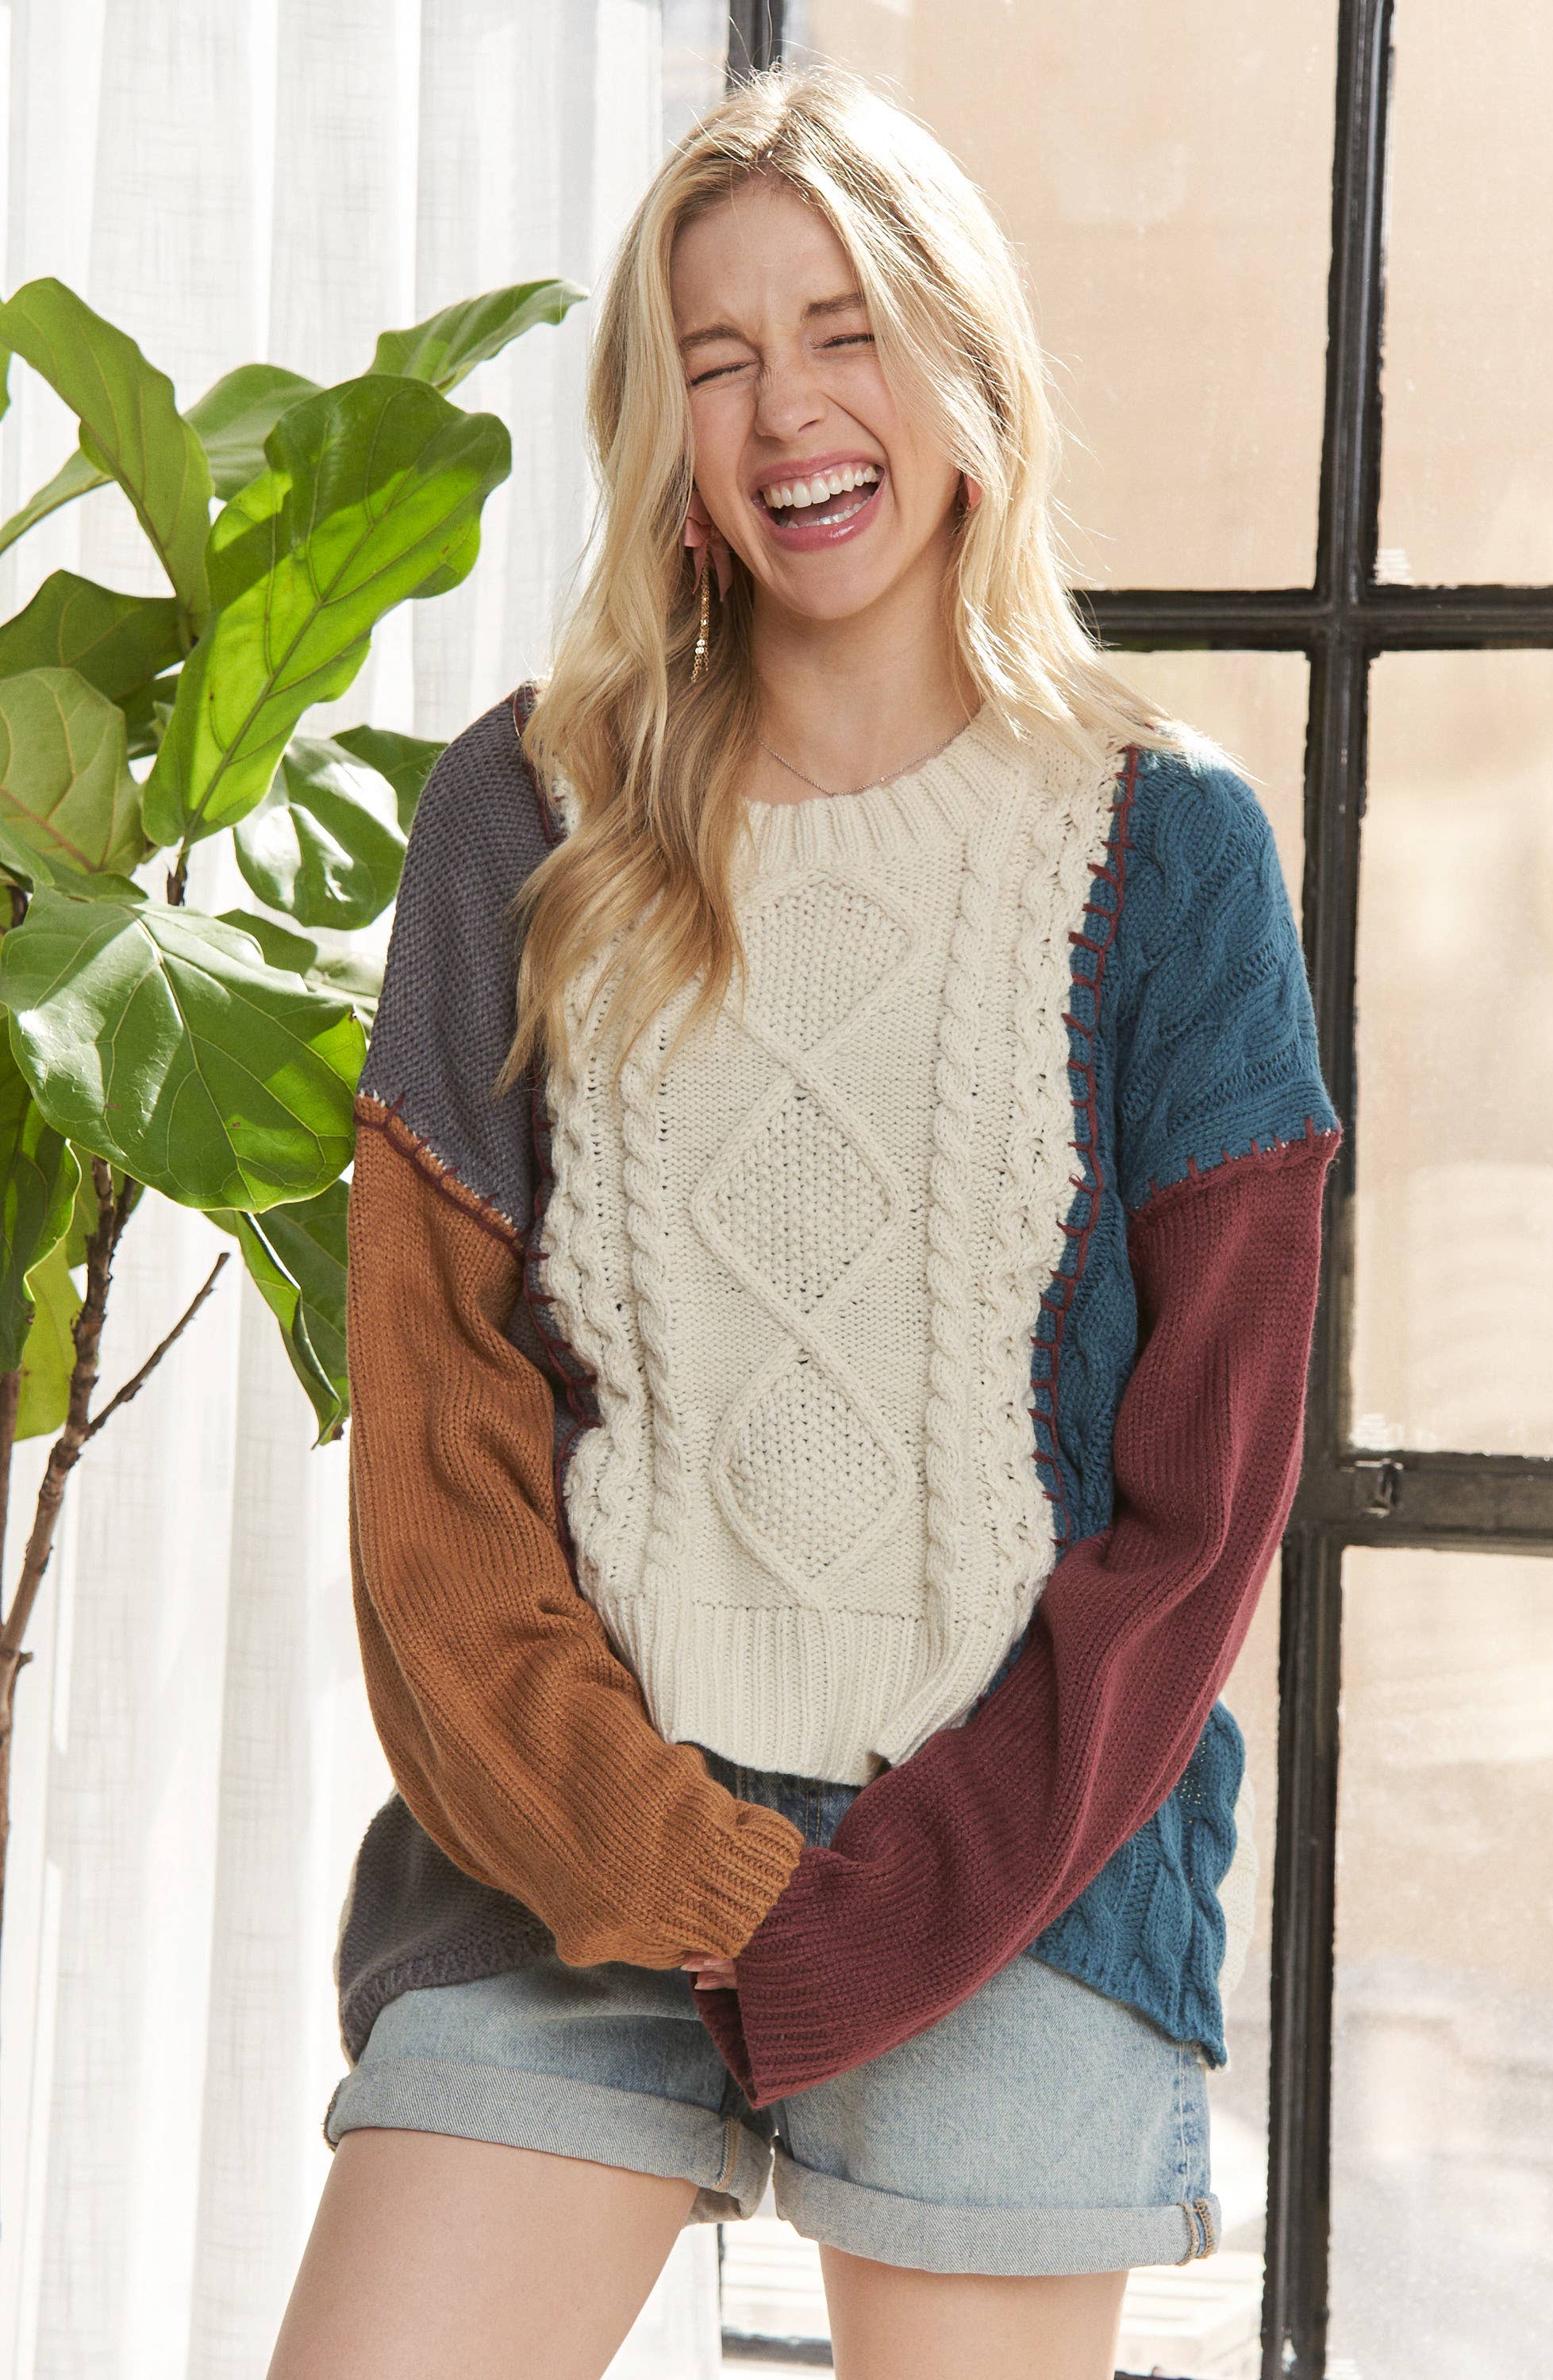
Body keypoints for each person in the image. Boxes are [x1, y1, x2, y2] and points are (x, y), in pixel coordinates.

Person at [268, 60, 1339, 2380]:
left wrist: (905, 1905)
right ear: (662, 430)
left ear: (964, 366)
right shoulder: (520, 823)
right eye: (718, 357)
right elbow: (437, 1474)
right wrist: (678, 1870)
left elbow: (1203, 1509)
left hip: (1017, 1877)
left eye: (845, 331)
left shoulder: (1171, 853)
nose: (787, 413)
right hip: (572, 1866)